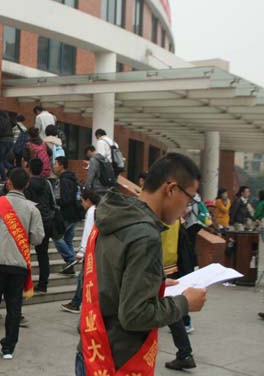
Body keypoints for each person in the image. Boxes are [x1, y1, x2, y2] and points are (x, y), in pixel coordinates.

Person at [75, 153, 207, 376]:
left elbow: (113, 278)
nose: (186, 208)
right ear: (171, 189)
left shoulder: (114, 215)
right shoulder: (145, 234)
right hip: (117, 362)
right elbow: (135, 315)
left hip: (91, 350)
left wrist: (155, 284)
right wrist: (184, 303)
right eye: (189, 199)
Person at [0, 167, 44, 360]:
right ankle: (8, 349)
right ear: (27, 185)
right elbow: (38, 238)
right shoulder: (32, 209)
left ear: (8, 182)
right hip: (18, 265)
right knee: (14, 308)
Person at [160, 219, 198, 371]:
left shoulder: (157, 215)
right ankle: (185, 354)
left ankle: (185, 354)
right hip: (172, 267)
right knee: (172, 312)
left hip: (158, 268)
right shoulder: (175, 218)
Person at [61, 189, 100, 313]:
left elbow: (88, 232)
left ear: (88, 200)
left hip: (90, 251)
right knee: (85, 277)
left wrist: (82, 251)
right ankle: (77, 302)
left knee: (83, 277)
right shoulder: (99, 209)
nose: (81, 204)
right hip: (98, 249)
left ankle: (76, 303)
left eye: (82, 201)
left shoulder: (91, 211)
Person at [23, 158, 56, 294]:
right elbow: (53, 203)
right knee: (43, 254)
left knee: (23, 252)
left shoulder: (26, 184)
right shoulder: (47, 183)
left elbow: (24, 204)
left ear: (29, 168)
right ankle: (43, 284)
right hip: (46, 222)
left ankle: (23, 283)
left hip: (30, 221)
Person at [53, 156, 82, 275]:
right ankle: (70, 268)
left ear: (61, 165)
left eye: (55, 164)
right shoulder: (72, 178)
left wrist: (56, 201)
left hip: (66, 214)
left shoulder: (64, 180)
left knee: (56, 237)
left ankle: (71, 259)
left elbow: (65, 199)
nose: (54, 166)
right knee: (68, 240)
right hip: (75, 213)